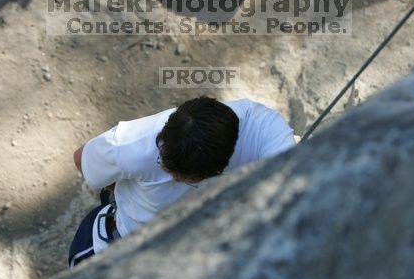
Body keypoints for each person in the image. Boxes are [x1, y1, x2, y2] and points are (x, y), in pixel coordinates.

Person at [68, 96, 295, 267]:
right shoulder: (130, 145)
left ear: (216, 170)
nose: (170, 175)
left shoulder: (267, 132)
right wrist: (128, 197)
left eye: (178, 176)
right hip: (120, 247)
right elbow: (82, 159)